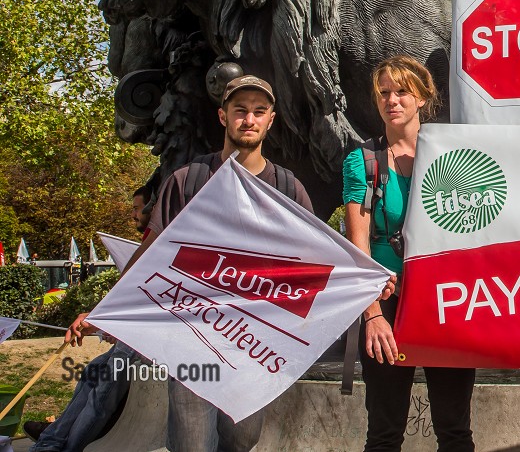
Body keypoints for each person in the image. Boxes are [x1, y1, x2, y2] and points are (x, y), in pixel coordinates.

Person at [66, 75, 316, 452]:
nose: (249, 119)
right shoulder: (187, 180)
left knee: (242, 438)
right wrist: (106, 310)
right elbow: (149, 255)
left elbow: (315, 263)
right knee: (192, 443)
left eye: (258, 112)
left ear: (270, 120)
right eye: (240, 111)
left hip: (252, 343)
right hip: (190, 336)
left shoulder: (288, 187)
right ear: (222, 116)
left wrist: (366, 285)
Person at [345, 56, 475, 452]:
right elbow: (357, 244)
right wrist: (371, 315)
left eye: (403, 91)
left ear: (423, 97)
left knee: (455, 432)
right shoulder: (362, 162)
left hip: (444, 302)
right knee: (384, 434)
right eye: (384, 92)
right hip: (386, 304)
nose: (392, 100)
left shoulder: (454, 156)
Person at [27, 185, 159, 449]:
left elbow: (148, 298)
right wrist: (102, 320)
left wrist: (104, 319)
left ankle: (60, 445)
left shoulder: (159, 239)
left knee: (104, 389)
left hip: (151, 338)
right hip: (136, 334)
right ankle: (50, 441)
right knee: (93, 371)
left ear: (151, 209)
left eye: (136, 208)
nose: (133, 215)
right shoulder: (149, 242)